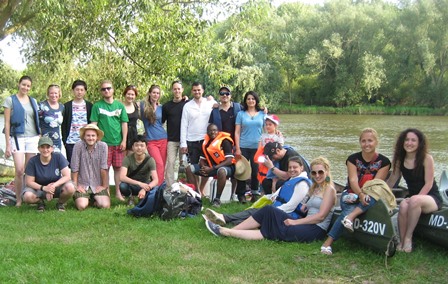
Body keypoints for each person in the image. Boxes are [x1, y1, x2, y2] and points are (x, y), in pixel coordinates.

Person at [205, 156, 336, 242]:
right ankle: (227, 231)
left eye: (320, 172)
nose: (317, 175)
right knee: (268, 219)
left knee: (272, 220)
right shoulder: (316, 188)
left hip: (316, 229)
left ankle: (227, 231)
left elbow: (320, 217)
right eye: (314, 172)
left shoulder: (329, 190)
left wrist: (295, 222)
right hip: (306, 223)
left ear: (327, 172)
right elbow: (309, 208)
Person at [320, 128, 391, 255]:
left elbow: (376, 184)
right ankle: (347, 220)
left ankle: (331, 239)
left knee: (372, 196)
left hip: (371, 194)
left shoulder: (384, 162)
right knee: (349, 206)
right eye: (363, 141)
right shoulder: (352, 159)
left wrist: (365, 195)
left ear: (376, 142)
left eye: (370, 140)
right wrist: (360, 194)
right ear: (360, 143)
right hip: (351, 193)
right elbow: (353, 181)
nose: (366, 144)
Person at [205, 155, 311, 225]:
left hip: (288, 215)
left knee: (257, 214)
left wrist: (273, 210)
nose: (292, 170)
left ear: (301, 168)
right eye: (290, 167)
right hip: (280, 210)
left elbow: (291, 206)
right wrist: (269, 198)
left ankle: (223, 218)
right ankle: (223, 219)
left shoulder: (302, 184)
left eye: (295, 167)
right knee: (253, 212)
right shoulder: (293, 179)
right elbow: (277, 195)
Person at [387, 128, 442, 253]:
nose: (409, 143)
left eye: (413, 140)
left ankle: (408, 238)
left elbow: (429, 184)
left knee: (413, 201)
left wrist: (415, 199)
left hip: (431, 197)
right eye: (406, 140)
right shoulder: (399, 160)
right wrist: (379, 193)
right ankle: (401, 242)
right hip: (413, 198)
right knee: (404, 206)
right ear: (402, 142)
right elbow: (392, 180)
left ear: (419, 143)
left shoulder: (426, 158)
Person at [2, 75, 41, 207]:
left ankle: (28, 196)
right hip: (17, 138)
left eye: (28, 86)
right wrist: (8, 144)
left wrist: (40, 137)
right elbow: (7, 124)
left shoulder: (33, 101)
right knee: (19, 170)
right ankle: (18, 199)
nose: (25, 87)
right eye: (23, 84)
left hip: (33, 138)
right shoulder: (10, 100)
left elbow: (37, 120)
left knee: (30, 171)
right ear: (19, 84)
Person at [90, 80, 129, 201]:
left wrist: (124, 141)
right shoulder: (97, 106)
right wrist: (94, 141)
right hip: (103, 144)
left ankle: (118, 192)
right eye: (103, 89)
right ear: (101, 92)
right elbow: (93, 124)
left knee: (118, 168)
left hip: (118, 143)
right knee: (104, 169)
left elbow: (124, 124)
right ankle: (105, 191)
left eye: (108, 88)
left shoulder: (120, 106)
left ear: (113, 90)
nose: (106, 90)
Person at [185, 124, 235, 206]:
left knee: (221, 171)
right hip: (211, 168)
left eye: (215, 130)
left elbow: (229, 160)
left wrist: (212, 168)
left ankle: (217, 199)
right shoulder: (206, 142)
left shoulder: (225, 141)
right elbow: (202, 159)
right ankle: (197, 195)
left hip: (227, 168)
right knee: (189, 168)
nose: (213, 132)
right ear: (207, 132)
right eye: (210, 130)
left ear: (218, 131)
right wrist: (204, 167)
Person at [22, 136, 75, 212]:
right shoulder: (32, 161)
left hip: (56, 187)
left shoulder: (59, 157)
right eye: (42, 147)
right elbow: (29, 182)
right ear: (38, 149)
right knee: (27, 197)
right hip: (39, 188)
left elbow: (67, 176)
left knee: (70, 187)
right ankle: (40, 202)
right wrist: (44, 188)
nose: (45, 150)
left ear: (52, 148)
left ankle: (60, 203)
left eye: (48, 147)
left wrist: (53, 186)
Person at [180, 82, 216, 194]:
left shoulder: (209, 103)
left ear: (203, 91)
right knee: (192, 168)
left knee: (206, 166)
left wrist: (214, 100)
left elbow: (221, 105)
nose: (197, 92)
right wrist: (183, 144)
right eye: (194, 90)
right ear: (191, 91)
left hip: (206, 140)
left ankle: (201, 189)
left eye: (199, 90)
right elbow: (183, 124)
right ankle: (195, 191)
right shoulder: (187, 106)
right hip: (191, 140)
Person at [209, 86, 242, 200]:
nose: (224, 95)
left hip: (236, 143)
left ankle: (233, 194)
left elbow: (251, 112)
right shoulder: (215, 111)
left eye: (227, 93)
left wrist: (263, 110)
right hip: (221, 145)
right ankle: (221, 195)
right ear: (219, 96)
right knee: (224, 167)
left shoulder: (238, 108)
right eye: (222, 93)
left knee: (236, 169)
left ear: (230, 96)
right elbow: (210, 127)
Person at [71, 124, 110, 210]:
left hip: (97, 184)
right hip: (83, 184)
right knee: (81, 206)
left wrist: (104, 186)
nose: (90, 138)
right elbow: (74, 167)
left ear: (97, 137)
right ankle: (85, 198)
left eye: (93, 136)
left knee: (105, 206)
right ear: (84, 137)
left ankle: (93, 199)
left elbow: (104, 167)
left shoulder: (103, 146)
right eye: (88, 135)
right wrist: (76, 186)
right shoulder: (78, 145)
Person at [234, 91, 265, 200]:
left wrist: (277, 133)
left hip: (258, 147)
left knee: (256, 170)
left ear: (256, 100)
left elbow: (268, 129)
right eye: (248, 99)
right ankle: (241, 194)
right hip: (243, 146)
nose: (251, 101)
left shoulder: (262, 114)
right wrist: (237, 148)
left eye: (253, 99)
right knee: (241, 169)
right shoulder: (241, 114)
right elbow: (237, 132)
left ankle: (255, 192)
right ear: (245, 101)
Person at [162, 80, 188, 187]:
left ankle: (186, 187)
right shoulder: (167, 106)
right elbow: (161, 121)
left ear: (182, 90)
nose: (177, 91)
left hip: (185, 140)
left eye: (179, 89)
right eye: (175, 89)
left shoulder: (187, 104)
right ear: (172, 90)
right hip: (171, 139)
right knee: (171, 163)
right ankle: (170, 186)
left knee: (185, 164)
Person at [119, 135, 158, 205]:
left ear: (146, 147)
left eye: (142, 145)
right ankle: (131, 197)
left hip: (146, 185)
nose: (139, 148)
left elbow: (156, 180)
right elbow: (122, 177)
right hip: (132, 185)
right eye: (136, 145)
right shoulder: (127, 159)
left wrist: (145, 189)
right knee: (122, 186)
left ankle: (144, 196)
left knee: (155, 187)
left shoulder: (150, 160)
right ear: (132, 147)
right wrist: (139, 184)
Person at [61, 80, 93, 165]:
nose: (79, 92)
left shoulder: (89, 106)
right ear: (73, 91)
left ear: (85, 91)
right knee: (73, 166)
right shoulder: (67, 106)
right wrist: (64, 140)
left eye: (82, 90)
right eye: (77, 90)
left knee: (86, 166)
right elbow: (63, 124)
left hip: (86, 141)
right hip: (71, 141)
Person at [140, 85, 167, 186]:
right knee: (158, 164)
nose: (156, 95)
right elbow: (129, 104)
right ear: (150, 93)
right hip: (151, 140)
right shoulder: (143, 106)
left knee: (162, 165)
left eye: (158, 93)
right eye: (154, 92)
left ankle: (158, 186)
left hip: (163, 138)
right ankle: (157, 188)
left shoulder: (161, 108)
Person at [255, 114, 284, 187]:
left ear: (275, 126)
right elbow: (260, 147)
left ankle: (273, 191)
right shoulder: (263, 136)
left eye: (270, 125)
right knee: (262, 174)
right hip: (264, 158)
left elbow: (280, 148)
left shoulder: (278, 136)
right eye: (266, 124)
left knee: (274, 177)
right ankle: (261, 190)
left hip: (274, 160)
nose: (267, 126)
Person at [38, 84, 64, 152]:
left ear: (59, 94)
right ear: (48, 94)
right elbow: (36, 121)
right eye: (51, 93)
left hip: (56, 139)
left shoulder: (62, 107)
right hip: (44, 139)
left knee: (56, 160)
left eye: (56, 93)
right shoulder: (42, 105)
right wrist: (38, 135)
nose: (54, 95)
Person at [122, 85, 139, 156]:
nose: (130, 96)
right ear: (125, 94)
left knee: (132, 161)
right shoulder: (120, 106)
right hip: (122, 135)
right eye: (128, 94)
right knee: (122, 162)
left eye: (132, 94)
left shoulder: (137, 106)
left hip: (133, 135)